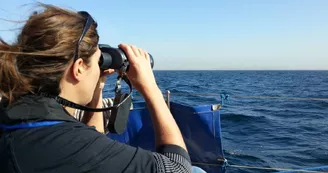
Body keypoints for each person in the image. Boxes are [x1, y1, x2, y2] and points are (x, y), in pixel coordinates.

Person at [0, 4, 201, 173]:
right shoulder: (64, 143)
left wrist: (98, 87)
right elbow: (178, 169)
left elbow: (89, 137)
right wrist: (150, 87)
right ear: (78, 68)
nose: (99, 69)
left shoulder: (20, 119)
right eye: (97, 62)